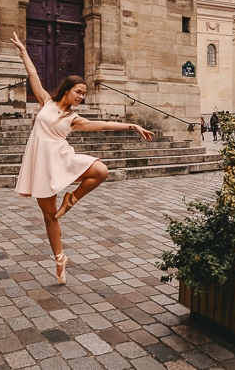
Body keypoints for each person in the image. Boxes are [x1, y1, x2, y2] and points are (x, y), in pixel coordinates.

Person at [10, 32, 155, 284]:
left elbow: (103, 125)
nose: (81, 96)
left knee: (101, 171)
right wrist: (23, 50)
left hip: (61, 159)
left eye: (84, 94)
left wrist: (132, 126)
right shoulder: (45, 102)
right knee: (49, 217)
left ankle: (72, 198)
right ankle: (59, 259)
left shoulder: (73, 119)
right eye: (78, 92)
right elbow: (33, 74)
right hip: (41, 165)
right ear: (66, 90)